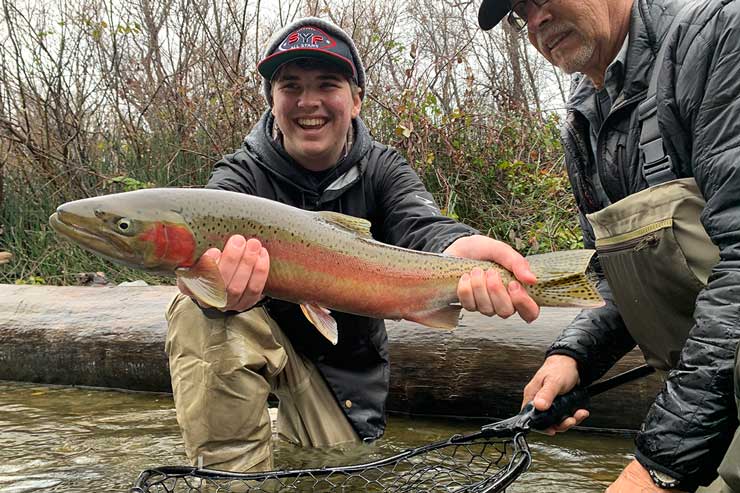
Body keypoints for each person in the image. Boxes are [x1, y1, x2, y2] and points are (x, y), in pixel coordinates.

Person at [165, 17, 540, 473]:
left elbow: (420, 223)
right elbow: (201, 248)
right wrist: (209, 288)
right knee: (194, 308)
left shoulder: (383, 168)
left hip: (340, 384)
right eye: (290, 86)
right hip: (255, 347)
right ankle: (226, 481)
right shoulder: (239, 178)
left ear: (356, 100)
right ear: (272, 101)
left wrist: (458, 245)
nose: (309, 102)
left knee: (340, 472)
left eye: (327, 84)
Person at [477, 0, 740, 491]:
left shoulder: (720, 38)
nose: (534, 22)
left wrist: (656, 468)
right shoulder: (582, 122)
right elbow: (618, 281)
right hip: (713, 411)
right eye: (519, 12)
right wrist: (573, 357)